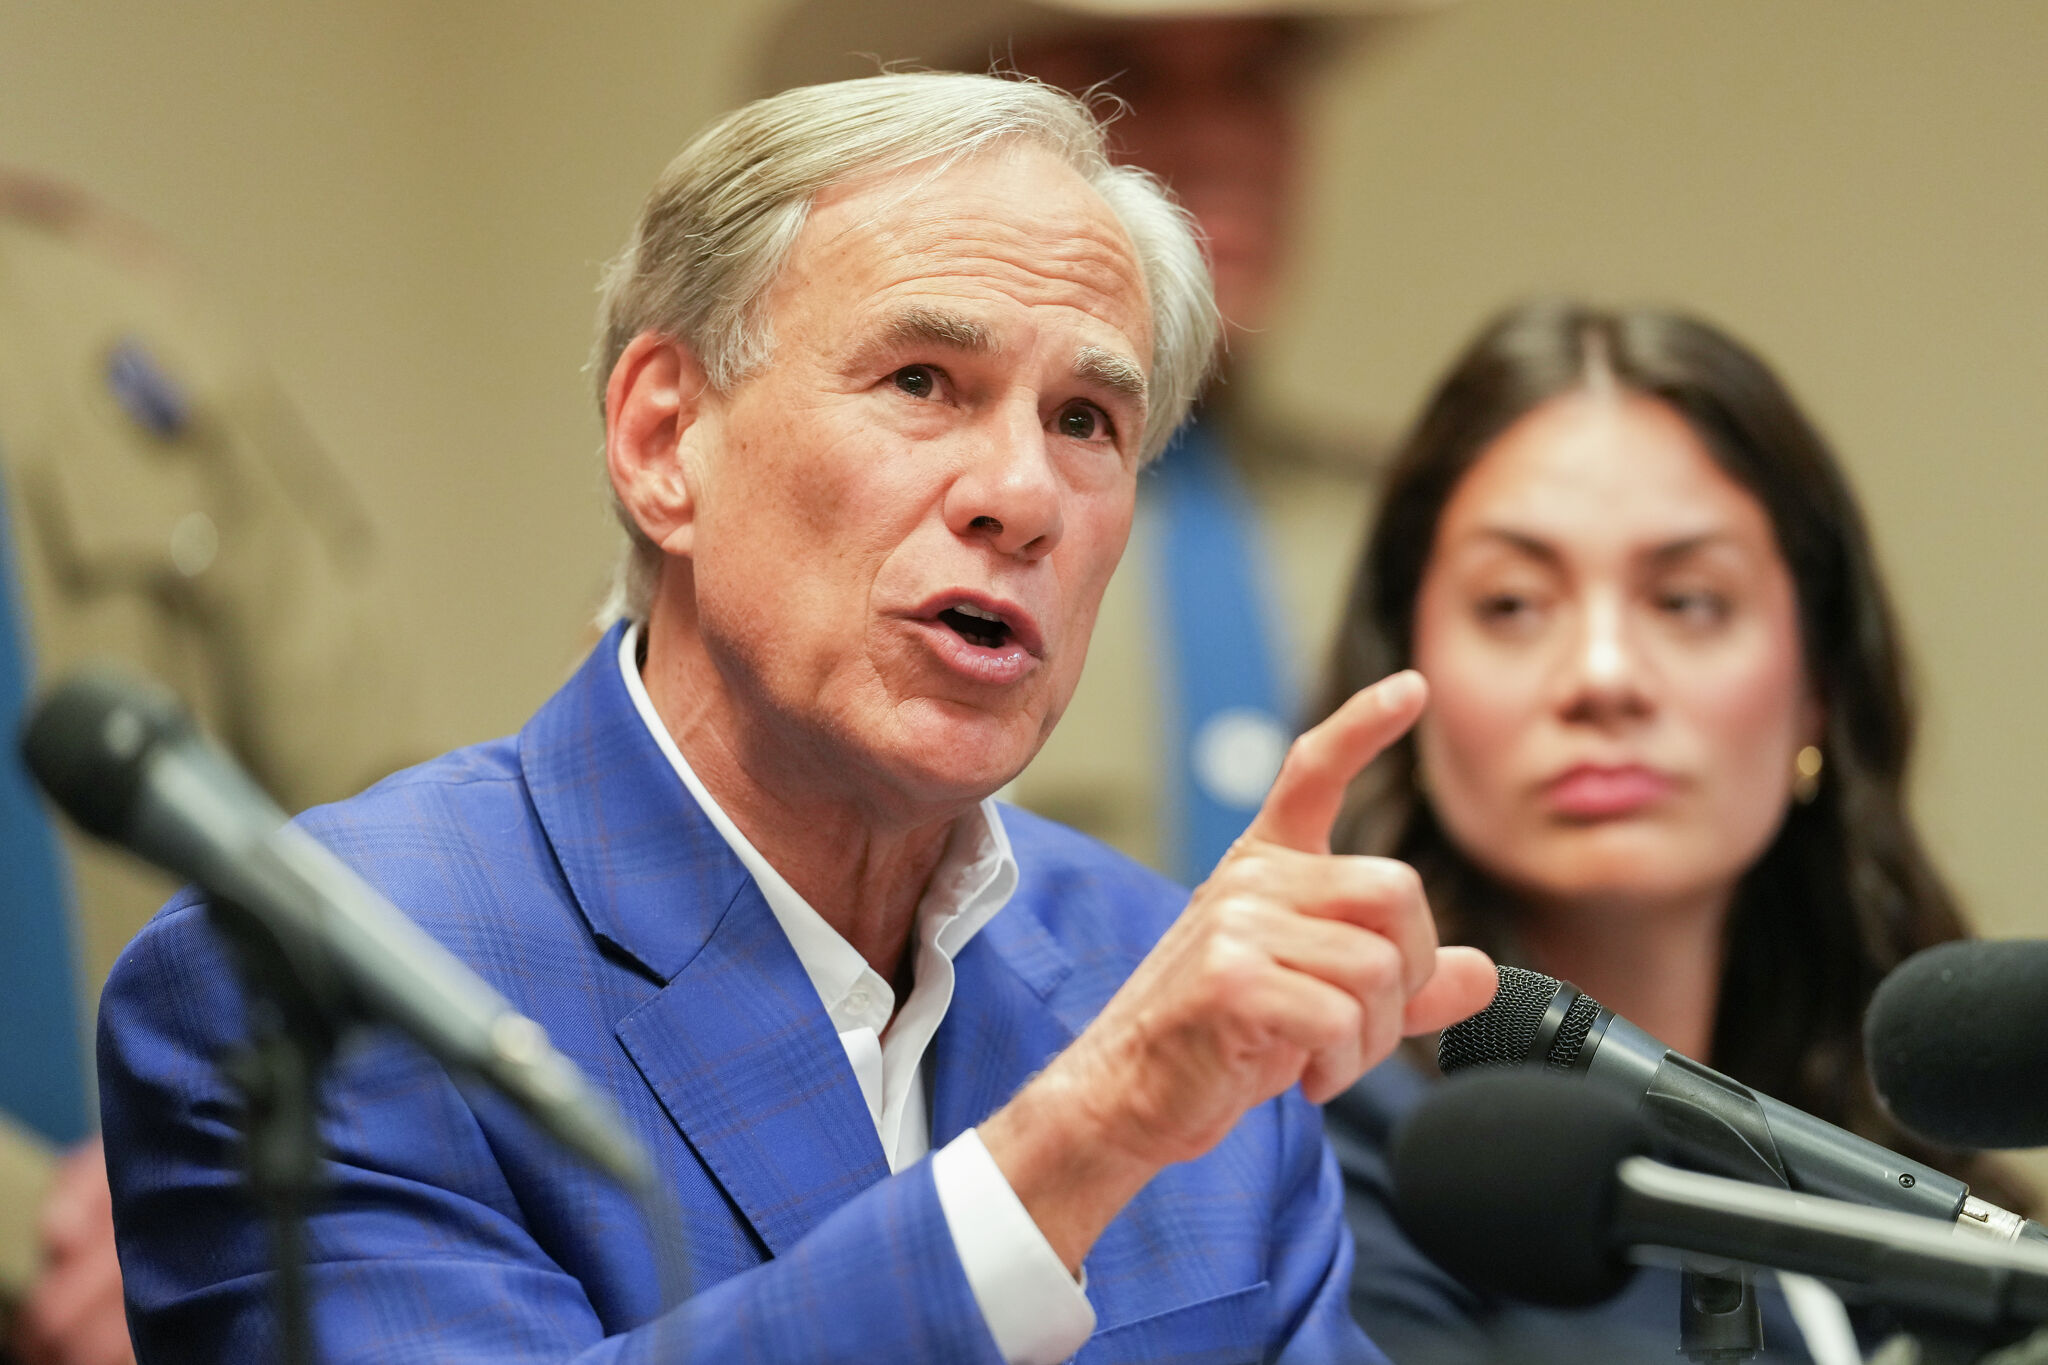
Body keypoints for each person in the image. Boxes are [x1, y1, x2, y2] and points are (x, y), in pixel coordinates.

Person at [97, 73, 1496, 1363]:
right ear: (663, 441)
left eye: (1085, 420)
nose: (1021, 495)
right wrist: (1082, 1139)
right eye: (920, 382)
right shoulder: (315, 982)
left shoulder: (1158, 973)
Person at [1314, 300, 2025, 1363]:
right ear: (1404, 679)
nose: (1603, 676)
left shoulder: (1915, 1187)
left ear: (1816, 692)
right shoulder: (1321, 1148)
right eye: (1512, 604)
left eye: (1688, 601)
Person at [751, 0, 1432, 882]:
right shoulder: (829, 531)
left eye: (1254, 78)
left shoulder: (1407, 536)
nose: (1218, 142)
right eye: (1125, 79)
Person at [0, 172, 415, 1365]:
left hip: (222, 1257)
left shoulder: (102, 314)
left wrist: (228, 1179)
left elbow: (371, 824)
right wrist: (38, 1236)